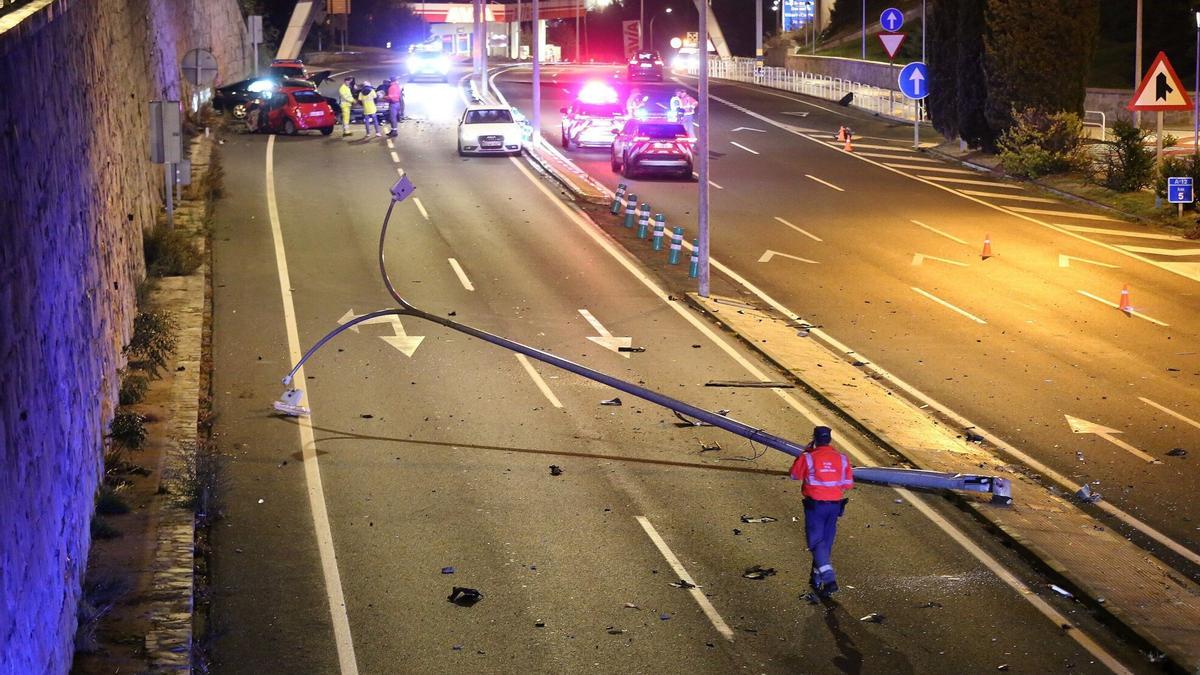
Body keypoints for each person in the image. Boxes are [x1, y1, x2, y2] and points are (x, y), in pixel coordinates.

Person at [790, 425, 854, 597]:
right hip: (834, 506)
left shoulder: (809, 457)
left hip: (816, 506)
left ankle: (829, 578)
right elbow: (848, 484)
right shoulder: (842, 459)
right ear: (830, 440)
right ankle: (817, 577)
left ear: (815, 439)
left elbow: (794, 475)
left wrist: (805, 452)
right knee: (825, 542)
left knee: (815, 542)